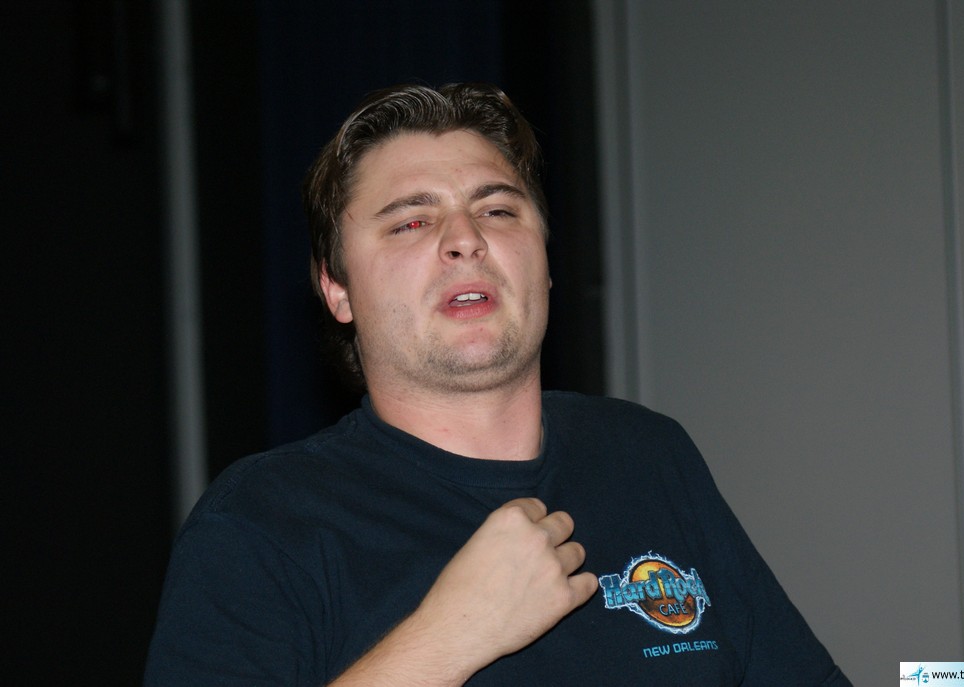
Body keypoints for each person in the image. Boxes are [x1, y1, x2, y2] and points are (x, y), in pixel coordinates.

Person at [145, 83, 850, 686]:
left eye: (497, 210)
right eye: (411, 221)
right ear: (338, 289)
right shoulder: (263, 522)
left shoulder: (648, 453)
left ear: (542, 259)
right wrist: (448, 636)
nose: (466, 239)